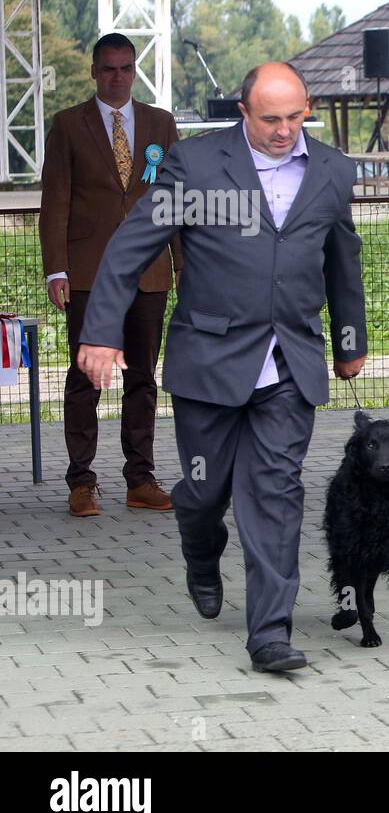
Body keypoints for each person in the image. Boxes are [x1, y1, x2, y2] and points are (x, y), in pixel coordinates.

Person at [77, 62, 368, 673]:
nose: (285, 130)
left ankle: (269, 632)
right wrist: (101, 333)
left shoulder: (334, 171)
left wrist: (348, 340)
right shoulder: (198, 165)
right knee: (207, 491)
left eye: (295, 117)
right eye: (271, 119)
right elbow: (132, 246)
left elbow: (343, 259)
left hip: (290, 360)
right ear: (244, 112)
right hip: (209, 360)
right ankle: (200, 546)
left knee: (274, 492)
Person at [39, 33, 183, 517]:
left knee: (142, 378)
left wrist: (184, 267)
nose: (117, 76)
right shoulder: (67, 125)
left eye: (125, 68)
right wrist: (55, 269)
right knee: (86, 377)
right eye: (108, 68)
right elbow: (55, 201)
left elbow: (176, 200)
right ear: (94, 71)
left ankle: (140, 479)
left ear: (135, 69)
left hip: (148, 272)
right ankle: (81, 482)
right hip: (87, 273)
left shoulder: (162, 125)